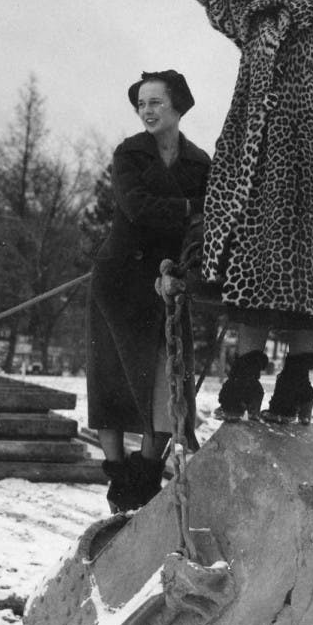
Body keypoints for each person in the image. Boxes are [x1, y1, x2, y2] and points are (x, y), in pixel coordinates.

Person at [113, 0, 313, 426]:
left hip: (308, 183)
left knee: (305, 278)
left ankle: (296, 383)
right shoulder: (257, 19)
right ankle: (244, 379)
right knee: (252, 274)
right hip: (252, 180)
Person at [87, 70, 211, 513]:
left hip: (168, 285)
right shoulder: (129, 154)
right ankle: (119, 478)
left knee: (165, 382)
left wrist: (190, 220)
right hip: (120, 281)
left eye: (155, 102)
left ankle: (145, 472)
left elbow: (208, 222)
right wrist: (190, 209)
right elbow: (135, 208)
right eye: (141, 104)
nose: (147, 111)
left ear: (178, 106)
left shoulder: (199, 163)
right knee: (113, 384)